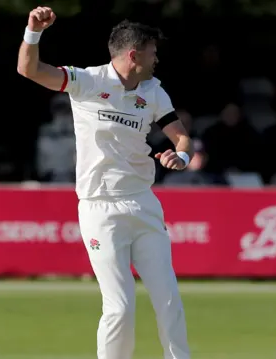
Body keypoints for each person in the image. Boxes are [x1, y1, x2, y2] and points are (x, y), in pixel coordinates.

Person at [17, 7, 191, 359]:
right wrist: (33, 32)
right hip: (100, 207)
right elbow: (28, 69)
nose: (156, 58)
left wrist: (182, 157)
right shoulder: (87, 81)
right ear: (134, 54)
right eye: (153, 52)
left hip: (143, 202)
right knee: (120, 306)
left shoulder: (154, 91)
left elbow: (181, 138)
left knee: (169, 299)